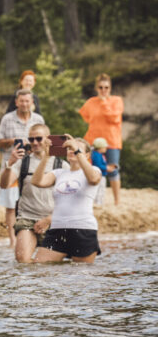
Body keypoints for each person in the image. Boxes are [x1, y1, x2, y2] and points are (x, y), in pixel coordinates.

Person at [29, 135, 103, 263]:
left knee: (81, 275)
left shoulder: (94, 170)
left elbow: (93, 179)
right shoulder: (59, 173)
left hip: (83, 229)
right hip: (57, 230)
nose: (72, 150)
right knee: (39, 268)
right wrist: (46, 156)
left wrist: (77, 150)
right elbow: (36, 182)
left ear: (87, 155)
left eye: (77, 148)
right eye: (69, 148)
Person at [0, 123, 66, 263]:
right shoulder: (22, 162)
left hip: (54, 220)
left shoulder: (61, 165)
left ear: (48, 139)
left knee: (50, 265)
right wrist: (9, 164)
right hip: (27, 217)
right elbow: (4, 185)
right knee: (22, 261)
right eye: (31, 139)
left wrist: (49, 219)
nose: (35, 143)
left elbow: (70, 199)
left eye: (39, 139)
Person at [0, 89, 45, 246]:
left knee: (34, 200)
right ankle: (12, 240)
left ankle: (35, 235)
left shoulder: (38, 119)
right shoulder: (7, 119)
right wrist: (12, 141)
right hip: (11, 165)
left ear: (32, 103)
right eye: (21, 101)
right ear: (16, 102)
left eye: (27, 101)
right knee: (10, 205)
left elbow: (44, 141)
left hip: (33, 166)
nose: (24, 104)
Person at [79, 74, 123, 206]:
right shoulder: (91, 102)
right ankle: (91, 200)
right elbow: (85, 115)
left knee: (113, 169)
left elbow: (114, 118)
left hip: (111, 140)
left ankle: (117, 201)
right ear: (96, 88)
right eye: (101, 87)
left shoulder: (116, 100)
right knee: (92, 169)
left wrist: (104, 102)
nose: (104, 90)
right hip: (93, 140)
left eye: (106, 87)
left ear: (110, 88)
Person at [89, 138, 111, 205]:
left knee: (101, 189)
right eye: (105, 147)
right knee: (100, 190)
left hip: (102, 175)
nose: (106, 148)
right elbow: (97, 165)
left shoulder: (99, 154)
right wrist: (106, 168)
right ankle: (98, 203)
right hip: (100, 176)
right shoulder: (96, 155)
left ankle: (99, 202)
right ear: (99, 148)